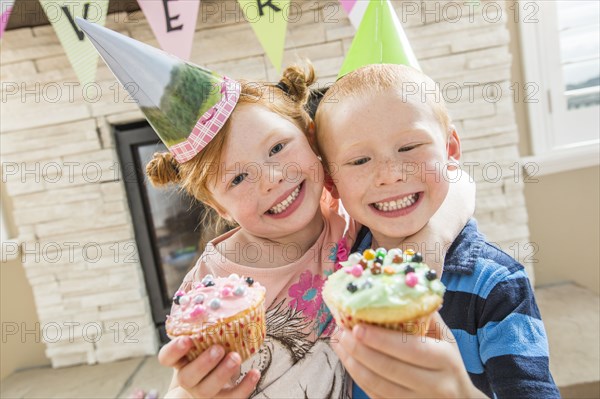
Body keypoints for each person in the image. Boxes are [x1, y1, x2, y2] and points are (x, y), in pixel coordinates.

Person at [315, 63, 560, 398]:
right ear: (332, 183)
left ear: (451, 150)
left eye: (409, 147)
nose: (390, 174)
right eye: (360, 161)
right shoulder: (337, 270)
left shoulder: (496, 284)